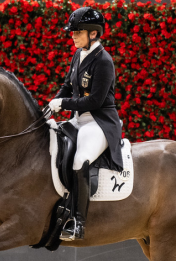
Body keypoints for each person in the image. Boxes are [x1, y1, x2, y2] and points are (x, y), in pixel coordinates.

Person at [49, 7, 124, 241]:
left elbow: (95, 100)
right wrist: (53, 102)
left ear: (93, 33)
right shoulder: (78, 54)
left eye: (78, 32)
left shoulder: (103, 61)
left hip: (99, 122)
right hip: (78, 119)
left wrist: (64, 103)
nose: (72, 35)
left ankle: (78, 222)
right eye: (72, 32)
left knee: (81, 159)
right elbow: (68, 85)